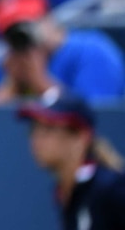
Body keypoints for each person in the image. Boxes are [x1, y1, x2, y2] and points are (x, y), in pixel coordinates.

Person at [0, 0, 125, 104]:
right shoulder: (6, 63)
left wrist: (40, 82)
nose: (20, 37)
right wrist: (11, 86)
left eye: (26, 27)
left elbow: (97, 120)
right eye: (10, 32)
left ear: (48, 19)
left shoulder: (92, 52)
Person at [17, 91, 125, 229]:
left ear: (81, 137)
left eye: (48, 129)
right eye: (34, 129)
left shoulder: (112, 189)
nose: (37, 140)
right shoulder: (65, 192)